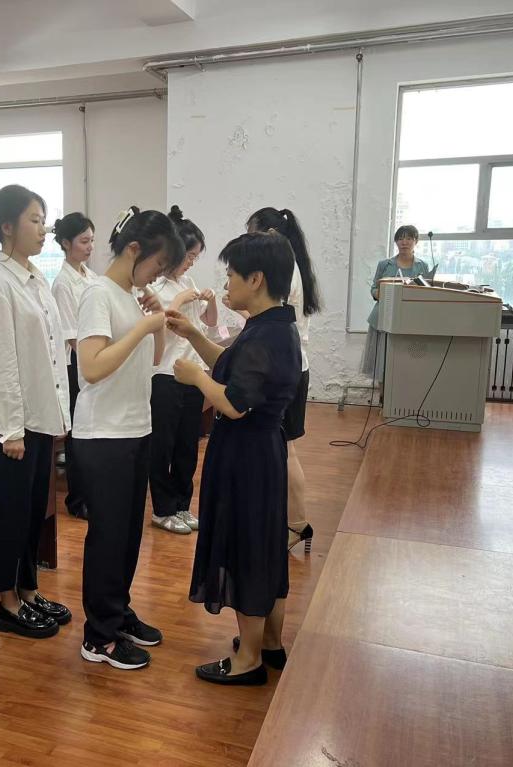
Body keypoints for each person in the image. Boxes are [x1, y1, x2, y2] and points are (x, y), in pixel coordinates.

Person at [165, 231, 301, 686]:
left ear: (256, 279)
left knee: (247, 548)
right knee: (265, 546)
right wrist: (192, 335)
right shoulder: (273, 326)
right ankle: (270, 643)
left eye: (232, 275)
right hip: (261, 451)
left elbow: (235, 402)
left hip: (247, 455)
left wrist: (195, 378)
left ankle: (248, 662)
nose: (226, 283)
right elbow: (233, 366)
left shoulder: (265, 335)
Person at [75, 206, 185, 671]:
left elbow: (153, 359)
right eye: (158, 264)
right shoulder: (98, 294)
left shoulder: (131, 296)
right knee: (108, 536)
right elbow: (91, 367)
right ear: (134, 249)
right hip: (103, 434)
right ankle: (98, 636)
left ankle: (117, 612)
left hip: (135, 427)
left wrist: (154, 318)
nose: (158, 274)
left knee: (127, 536)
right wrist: (142, 325)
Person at [0, 184, 72, 639]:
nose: (43, 229)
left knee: (33, 512)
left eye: (43, 220)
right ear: (7, 227)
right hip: (12, 427)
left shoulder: (34, 280)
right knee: (10, 514)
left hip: (38, 416)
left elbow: (49, 354)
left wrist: (59, 415)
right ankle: (7, 604)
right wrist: (11, 429)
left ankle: (29, 590)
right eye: (34, 220)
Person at [246, 207, 322, 552]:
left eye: (253, 235)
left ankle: (297, 524)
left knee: (285, 448)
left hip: (285, 367)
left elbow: (268, 317)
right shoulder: (292, 266)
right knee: (281, 448)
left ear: (271, 235)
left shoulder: (284, 270)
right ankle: (288, 520)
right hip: (291, 364)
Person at [148, 205, 217, 535]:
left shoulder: (188, 282)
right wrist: (180, 301)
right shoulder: (156, 288)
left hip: (191, 372)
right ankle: (162, 509)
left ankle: (181, 504)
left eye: (195, 257)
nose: (191, 262)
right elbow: (159, 327)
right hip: (165, 374)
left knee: (187, 445)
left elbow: (210, 324)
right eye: (189, 255)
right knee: (163, 445)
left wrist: (210, 299)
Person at [50, 211, 96, 521]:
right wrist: (98, 360)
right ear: (66, 243)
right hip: (77, 364)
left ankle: (93, 493)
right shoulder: (63, 283)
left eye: (92, 240)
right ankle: (77, 499)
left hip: (92, 360)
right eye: (83, 241)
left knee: (91, 433)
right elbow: (72, 336)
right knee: (78, 436)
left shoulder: (90, 277)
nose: (90, 246)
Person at [361, 224, 431, 381]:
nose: (404, 242)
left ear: (416, 241)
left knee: (407, 361)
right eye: (400, 239)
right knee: (382, 364)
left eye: (409, 238)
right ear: (396, 242)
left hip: (411, 319)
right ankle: (383, 394)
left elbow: (427, 292)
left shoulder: (423, 266)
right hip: (384, 317)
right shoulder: (385, 264)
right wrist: (379, 293)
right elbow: (373, 289)